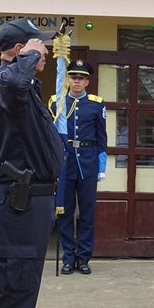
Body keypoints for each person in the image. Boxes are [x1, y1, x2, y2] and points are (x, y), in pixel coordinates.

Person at [0, 18, 64, 308]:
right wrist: (27, 58)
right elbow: (14, 83)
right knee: (13, 290)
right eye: (39, 46)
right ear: (20, 49)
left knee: (20, 289)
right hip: (17, 204)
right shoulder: (6, 79)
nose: (45, 51)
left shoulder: (23, 85)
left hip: (28, 204)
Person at [48, 60, 107, 275]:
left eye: (81, 78)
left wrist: (101, 167)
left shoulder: (96, 104)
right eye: (73, 77)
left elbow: (102, 138)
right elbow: (50, 135)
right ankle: (68, 258)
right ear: (68, 79)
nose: (77, 81)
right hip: (65, 163)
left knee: (87, 213)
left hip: (87, 163)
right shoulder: (57, 102)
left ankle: (83, 258)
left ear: (87, 82)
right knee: (65, 213)